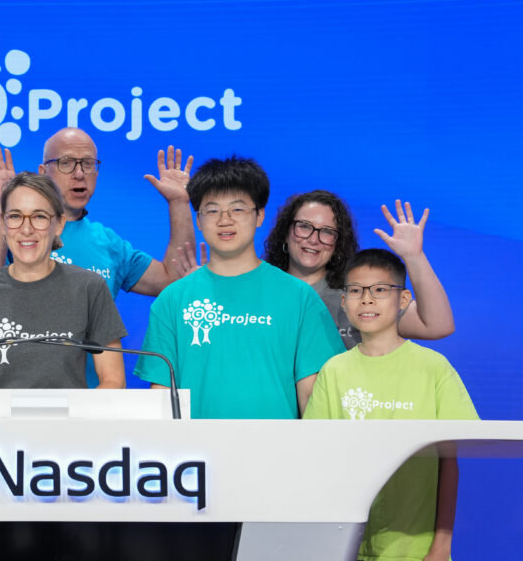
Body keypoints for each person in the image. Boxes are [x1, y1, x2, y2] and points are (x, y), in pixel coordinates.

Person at [0, 128, 193, 385]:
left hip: (89, 400)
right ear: (43, 172)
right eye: (66, 163)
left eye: (88, 164)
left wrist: (179, 203)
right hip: (12, 397)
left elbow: (174, 280)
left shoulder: (107, 242)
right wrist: (6, 200)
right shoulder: (18, 234)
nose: (79, 173)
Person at [134, 156, 344, 418]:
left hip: (278, 454)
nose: (225, 220)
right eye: (212, 210)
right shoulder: (172, 300)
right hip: (198, 456)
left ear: (259, 215)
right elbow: (163, 394)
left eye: (237, 209)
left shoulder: (300, 298)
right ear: (198, 220)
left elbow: (313, 395)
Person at [304, 248, 477, 560]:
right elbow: (318, 459)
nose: (367, 299)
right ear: (344, 301)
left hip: (416, 547)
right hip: (345, 544)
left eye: (380, 290)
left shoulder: (433, 368)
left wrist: (441, 544)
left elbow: (449, 463)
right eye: (355, 291)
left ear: (404, 300)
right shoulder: (333, 371)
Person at [0, 172, 126, 389]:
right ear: (3, 223)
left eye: (39, 216)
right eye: (15, 216)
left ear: (58, 224)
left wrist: (79, 419)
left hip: (68, 421)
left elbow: (114, 381)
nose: (26, 229)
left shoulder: (89, 287)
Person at [263, 191, 454, 349]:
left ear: (338, 244)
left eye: (327, 232)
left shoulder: (359, 294)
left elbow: (437, 326)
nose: (314, 239)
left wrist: (414, 256)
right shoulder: (258, 291)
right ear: (285, 233)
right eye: (304, 227)